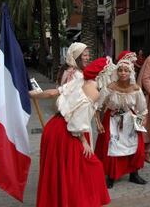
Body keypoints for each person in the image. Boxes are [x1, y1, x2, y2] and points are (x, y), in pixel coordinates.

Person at [30, 57, 112, 207]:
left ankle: (61, 201)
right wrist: (84, 141)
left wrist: (34, 95)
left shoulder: (79, 80)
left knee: (61, 171)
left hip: (53, 127)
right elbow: (76, 123)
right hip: (67, 133)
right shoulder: (94, 91)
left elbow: (52, 93)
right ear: (102, 75)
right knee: (88, 168)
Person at [95, 54, 148, 189]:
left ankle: (134, 174)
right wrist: (98, 122)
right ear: (116, 71)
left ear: (131, 72)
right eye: (120, 70)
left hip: (130, 120)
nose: (123, 73)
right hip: (112, 119)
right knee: (112, 148)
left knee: (134, 147)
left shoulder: (136, 89)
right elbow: (97, 106)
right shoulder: (110, 87)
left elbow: (142, 109)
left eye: (126, 70)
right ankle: (111, 176)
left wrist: (140, 124)